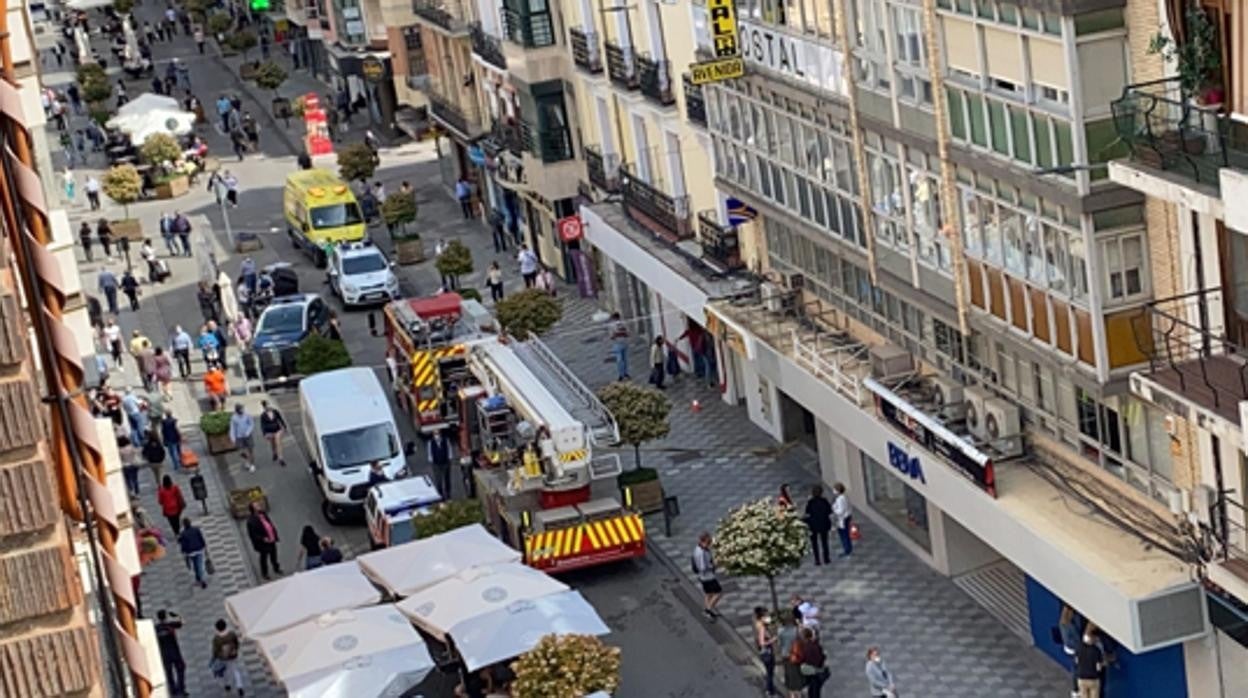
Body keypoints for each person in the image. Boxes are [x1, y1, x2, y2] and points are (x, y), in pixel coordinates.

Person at [245, 502, 282, 580]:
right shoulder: (251, 521)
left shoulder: (263, 514)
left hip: (271, 538)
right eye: (257, 506)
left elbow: (269, 523)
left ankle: (276, 568)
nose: (259, 506)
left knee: (274, 555)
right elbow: (253, 534)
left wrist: (273, 532)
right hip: (263, 543)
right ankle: (265, 573)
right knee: (264, 558)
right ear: (253, 509)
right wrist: (262, 538)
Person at [210, 619, 245, 696]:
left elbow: (215, 650)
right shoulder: (231, 634)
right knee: (235, 670)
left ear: (217, 628)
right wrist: (235, 650)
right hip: (232, 656)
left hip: (222, 657)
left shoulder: (216, 639)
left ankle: (227, 685)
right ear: (225, 626)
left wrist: (214, 658)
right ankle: (240, 687)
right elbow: (236, 643)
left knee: (225, 672)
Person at [692, 532, 722, 619]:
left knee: (708, 593)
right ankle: (708, 610)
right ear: (703, 541)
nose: (709, 544)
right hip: (708, 577)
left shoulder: (698, 549)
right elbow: (702, 567)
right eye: (708, 542)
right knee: (718, 592)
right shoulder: (701, 553)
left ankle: (708, 610)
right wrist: (713, 565)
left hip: (703, 577)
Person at [804, 485, 833, 565]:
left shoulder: (811, 502)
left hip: (813, 525)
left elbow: (807, 512)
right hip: (824, 524)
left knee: (814, 543)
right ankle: (826, 558)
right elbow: (829, 511)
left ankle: (817, 560)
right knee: (824, 542)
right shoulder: (824, 501)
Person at [778, 613, 805, 698]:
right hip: (795, 654)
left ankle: (792, 694)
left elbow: (780, 643)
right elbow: (801, 640)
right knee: (797, 673)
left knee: (788, 674)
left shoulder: (780, 631)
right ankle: (799, 693)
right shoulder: (796, 630)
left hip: (785, 654)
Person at [177, 518, 208, 589]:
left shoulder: (183, 533)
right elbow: (201, 538)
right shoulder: (196, 529)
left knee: (195, 565)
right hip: (199, 549)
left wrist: (183, 551)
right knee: (199, 564)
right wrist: (204, 545)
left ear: (184, 525)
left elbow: (183, 543)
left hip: (190, 552)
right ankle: (200, 578)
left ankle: (200, 579)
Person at [754, 607, 779, 697]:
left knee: (769, 671)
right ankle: (769, 690)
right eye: (766, 615)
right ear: (762, 617)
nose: (768, 617)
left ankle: (770, 688)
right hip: (767, 652)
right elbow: (762, 643)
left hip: (763, 651)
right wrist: (773, 640)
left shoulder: (757, 623)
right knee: (770, 672)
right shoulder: (762, 628)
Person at [799, 628, 828, 698]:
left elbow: (803, 659)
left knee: (813, 691)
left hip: (812, 672)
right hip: (818, 671)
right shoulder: (815, 645)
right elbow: (822, 657)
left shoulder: (806, 647)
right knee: (816, 691)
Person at [1075, 632, 1103, 698]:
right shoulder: (1096, 650)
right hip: (1093, 678)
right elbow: (1098, 667)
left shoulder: (1079, 648)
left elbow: (1076, 661)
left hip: (1081, 678)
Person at [259, 400, 287, 466]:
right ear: (264, 407)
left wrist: (284, 427)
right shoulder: (263, 415)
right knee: (273, 443)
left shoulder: (275, 411)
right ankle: (274, 453)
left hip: (277, 429)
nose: (269, 406)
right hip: (269, 431)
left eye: (269, 405)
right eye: (267, 405)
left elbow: (280, 419)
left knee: (278, 442)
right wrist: (264, 433)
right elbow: (262, 425)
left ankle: (281, 458)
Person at [428, 429, 454, 499]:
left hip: (445, 462)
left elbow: (449, 449)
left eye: (438, 434)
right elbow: (430, 453)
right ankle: (440, 494)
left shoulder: (446, 440)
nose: (437, 436)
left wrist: (450, 459)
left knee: (447, 478)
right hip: (436, 464)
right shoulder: (431, 443)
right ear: (433, 435)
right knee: (438, 479)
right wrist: (432, 462)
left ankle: (448, 493)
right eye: (435, 434)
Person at [230, 403, 256, 472]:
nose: (243, 410)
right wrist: (233, 438)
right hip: (239, 437)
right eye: (241, 409)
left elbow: (251, 424)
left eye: (243, 409)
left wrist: (248, 432)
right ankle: (247, 461)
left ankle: (252, 465)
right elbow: (233, 428)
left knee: (250, 450)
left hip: (248, 436)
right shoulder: (234, 417)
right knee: (241, 452)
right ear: (237, 410)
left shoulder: (247, 415)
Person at [832, 482, 853, 557]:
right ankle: (848, 548)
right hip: (846, 517)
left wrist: (834, 510)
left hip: (843, 518)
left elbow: (841, 511)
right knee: (845, 534)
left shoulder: (840, 499)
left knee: (844, 535)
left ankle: (847, 549)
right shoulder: (844, 497)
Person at [608, 312, 629, 380]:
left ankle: (625, 373)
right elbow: (611, 336)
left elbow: (628, 333)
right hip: (617, 344)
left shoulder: (624, 324)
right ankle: (621, 374)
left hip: (624, 343)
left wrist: (622, 333)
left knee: (624, 359)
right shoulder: (611, 325)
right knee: (619, 360)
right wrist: (617, 334)